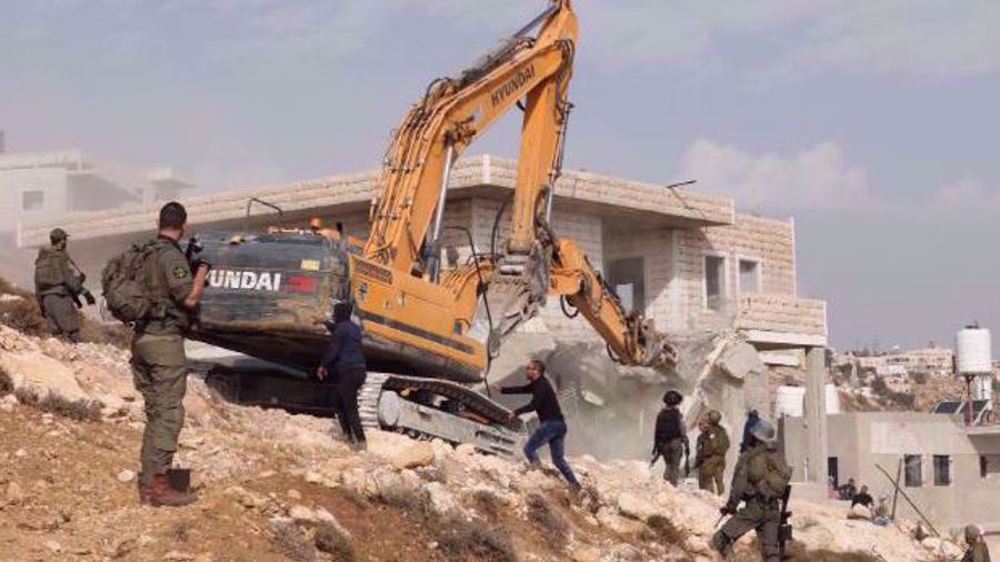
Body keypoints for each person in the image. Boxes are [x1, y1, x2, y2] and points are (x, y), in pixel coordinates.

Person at [132, 202, 210, 507]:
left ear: (158, 222)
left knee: (155, 412)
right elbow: (189, 298)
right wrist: (202, 271)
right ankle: (161, 487)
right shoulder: (170, 257)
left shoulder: (143, 254)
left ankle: (148, 483)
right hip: (164, 342)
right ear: (183, 226)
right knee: (169, 414)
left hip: (140, 341)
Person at [711, 416, 793, 562]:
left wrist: (731, 506)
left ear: (755, 437)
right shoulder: (778, 457)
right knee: (771, 553)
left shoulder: (748, 458)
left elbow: (738, 486)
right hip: (774, 510)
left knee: (720, 539)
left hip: (754, 508)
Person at [497, 360, 580, 489]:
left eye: (531, 369)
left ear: (538, 371)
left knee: (528, 449)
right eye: (527, 368)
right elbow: (523, 389)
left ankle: (539, 475)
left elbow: (534, 405)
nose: (528, 370)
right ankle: (575, 485)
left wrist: (516, 412)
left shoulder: (541, 385)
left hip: (551, 424)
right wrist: (503, 390)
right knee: (558, 460)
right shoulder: (538, 383)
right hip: (560, 425)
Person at [317, 302, 368, 450]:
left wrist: (322, 366)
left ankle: (361, 441)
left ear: (338, 314)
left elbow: (333, 349)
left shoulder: (341, 329)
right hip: (360, 370)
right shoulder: (355, 329)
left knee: (350, 407)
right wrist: (325, 323)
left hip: (348, 371)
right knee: (339, 403)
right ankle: (347, 436)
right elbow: (339, 330)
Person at [34, 228, 85, 342]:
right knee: (74, 334)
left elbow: (37, 286)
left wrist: (42, 306)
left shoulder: (41, 260)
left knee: (57, 338)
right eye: (65, 239)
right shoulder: (60, 257)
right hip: (60, 299)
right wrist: (81, 285)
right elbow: (69, 281)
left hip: (46, 301)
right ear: (62, 241)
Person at [654, 390, 689, 486]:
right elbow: (682, 428)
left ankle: (665, 485)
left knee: (668, 465)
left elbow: (657, 430)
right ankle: (672, 487)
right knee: (675, 466)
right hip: (675, 442)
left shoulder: (660, 414)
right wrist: (685, 440)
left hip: (663, 443)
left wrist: (657, 446)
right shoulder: (678, 414)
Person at [694, 409, 730, 495]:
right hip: (721, 458)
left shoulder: (710, 431)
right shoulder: (722, 430)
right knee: (719, 480)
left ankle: (710, 498)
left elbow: (712, 445)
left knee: (707, 479)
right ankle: (721, 497)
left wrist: (706, 455)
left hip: (711, 458)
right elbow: (728, 444)